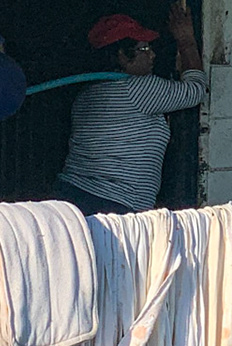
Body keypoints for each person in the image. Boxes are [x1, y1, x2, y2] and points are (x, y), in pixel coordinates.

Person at [56, 3, 208, 216]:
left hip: (72, 199)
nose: (153, 56)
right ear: (121, 55)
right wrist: (186, 40)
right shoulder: (138, 88)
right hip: (113, 206)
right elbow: (196, 90)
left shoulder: (85, 95)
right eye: (144, 49)